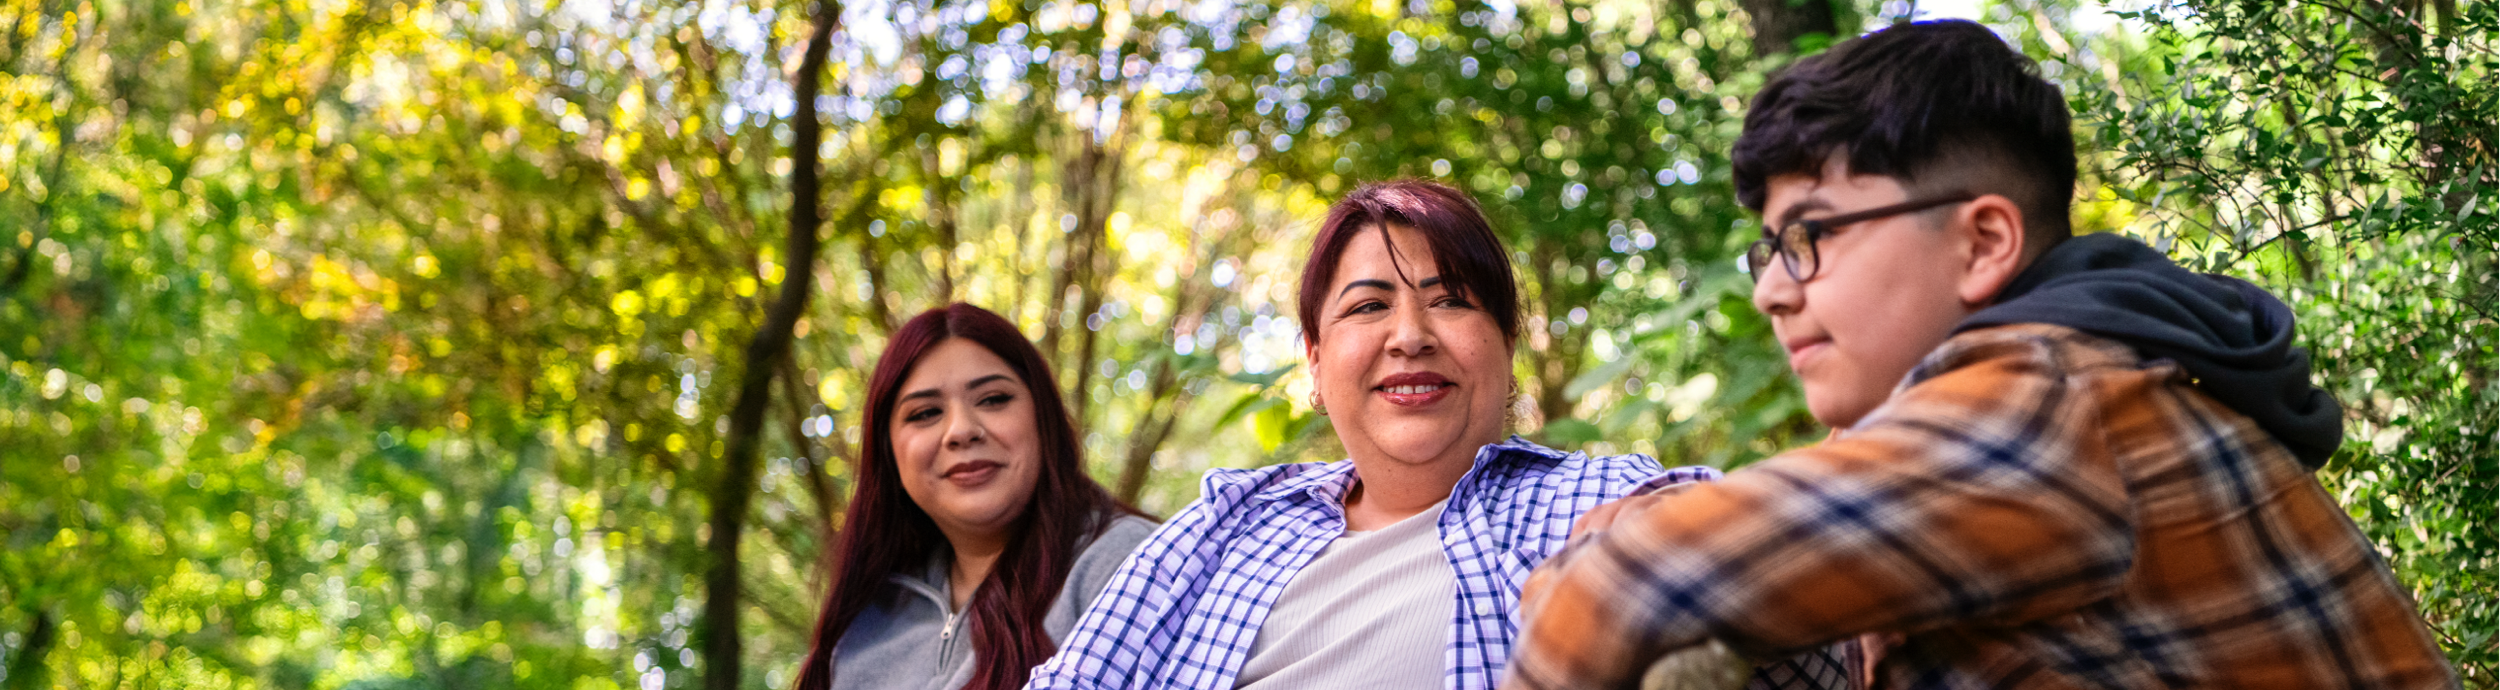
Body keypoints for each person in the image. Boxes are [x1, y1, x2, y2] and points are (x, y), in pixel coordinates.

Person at [1504, 20, 2460, 689]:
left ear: (1982, 244)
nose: (1770, 288)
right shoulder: (2076, 375)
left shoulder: (2051, 394)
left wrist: (1602, 556)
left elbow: (1625, 587)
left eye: (1811, 237)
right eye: (1768, 248)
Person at [1024, 181, 1848, 690]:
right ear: (1314, 362)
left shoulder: (1589, 498)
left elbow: (1820, 642)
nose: (1410, 333)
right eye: (1368, 305)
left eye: (1451, 300)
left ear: (1505, 349)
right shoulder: (1223, 524)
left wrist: (1653, 553)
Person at [794, 303, 1158, 690]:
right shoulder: (866, 623)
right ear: (889, 452)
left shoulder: (1130, 566)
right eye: (925, 413)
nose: (961, 430)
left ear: (1043, 418)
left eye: (993, 399)